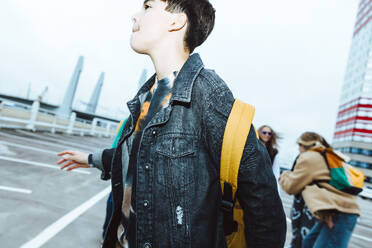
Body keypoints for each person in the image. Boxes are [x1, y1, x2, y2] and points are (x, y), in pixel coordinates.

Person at [57, 1, 286, 247]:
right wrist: (90, 159)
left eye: (147, 7)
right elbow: (143, 159)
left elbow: (265, 209)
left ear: (176, 21)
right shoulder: (145, 97)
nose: (135, 16)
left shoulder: (209, 96)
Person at [279, 132, 360, 248]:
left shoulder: (309, 157)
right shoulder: (327, 155)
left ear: (302, 145)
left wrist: (285, 175)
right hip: (336, 211)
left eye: (299, 146)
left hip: (340, 213)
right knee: (308, 243)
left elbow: (291, 187)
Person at [285, 139, 316, 248]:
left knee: (298, 227)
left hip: (302, 198)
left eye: (299, 145)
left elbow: (293, 177)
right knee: (306, 228)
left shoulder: (302, 158)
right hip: (312, 200)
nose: (298, 147)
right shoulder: (320, 158)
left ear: (304, 145)